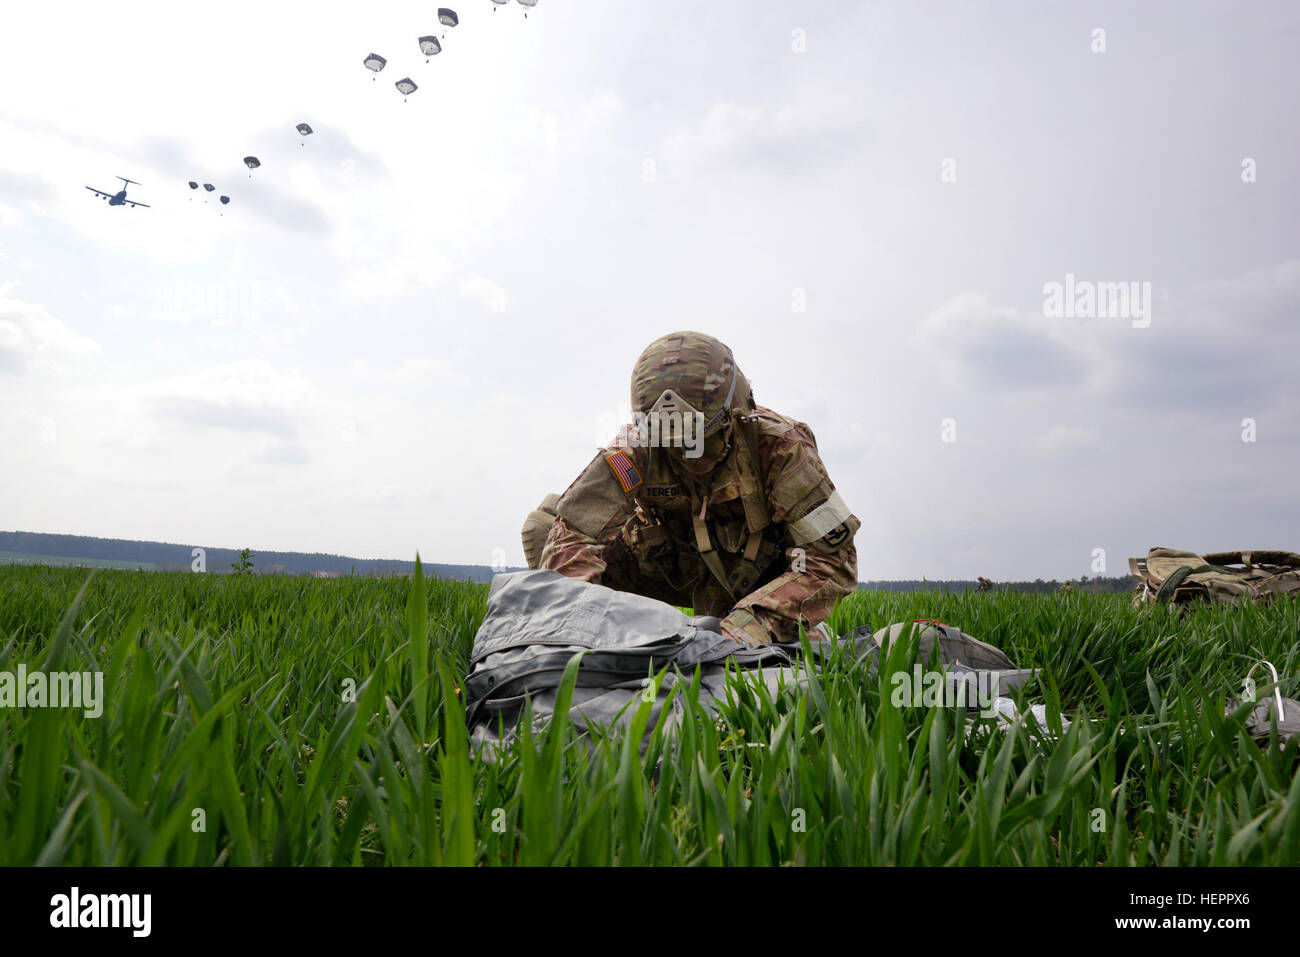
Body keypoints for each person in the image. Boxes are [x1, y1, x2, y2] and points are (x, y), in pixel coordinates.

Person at [521, 331, 860, 647]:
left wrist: (745, 628)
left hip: (757, 584)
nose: (689, 457)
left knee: (758, 651)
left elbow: (831, 562)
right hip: (675, 571)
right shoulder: (637, 446)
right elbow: (576, 531)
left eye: (701, 439)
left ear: (734, 414)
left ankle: (781, 631)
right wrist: (570, 633)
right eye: (675, 443)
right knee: (544, 529)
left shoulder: (779, 448)